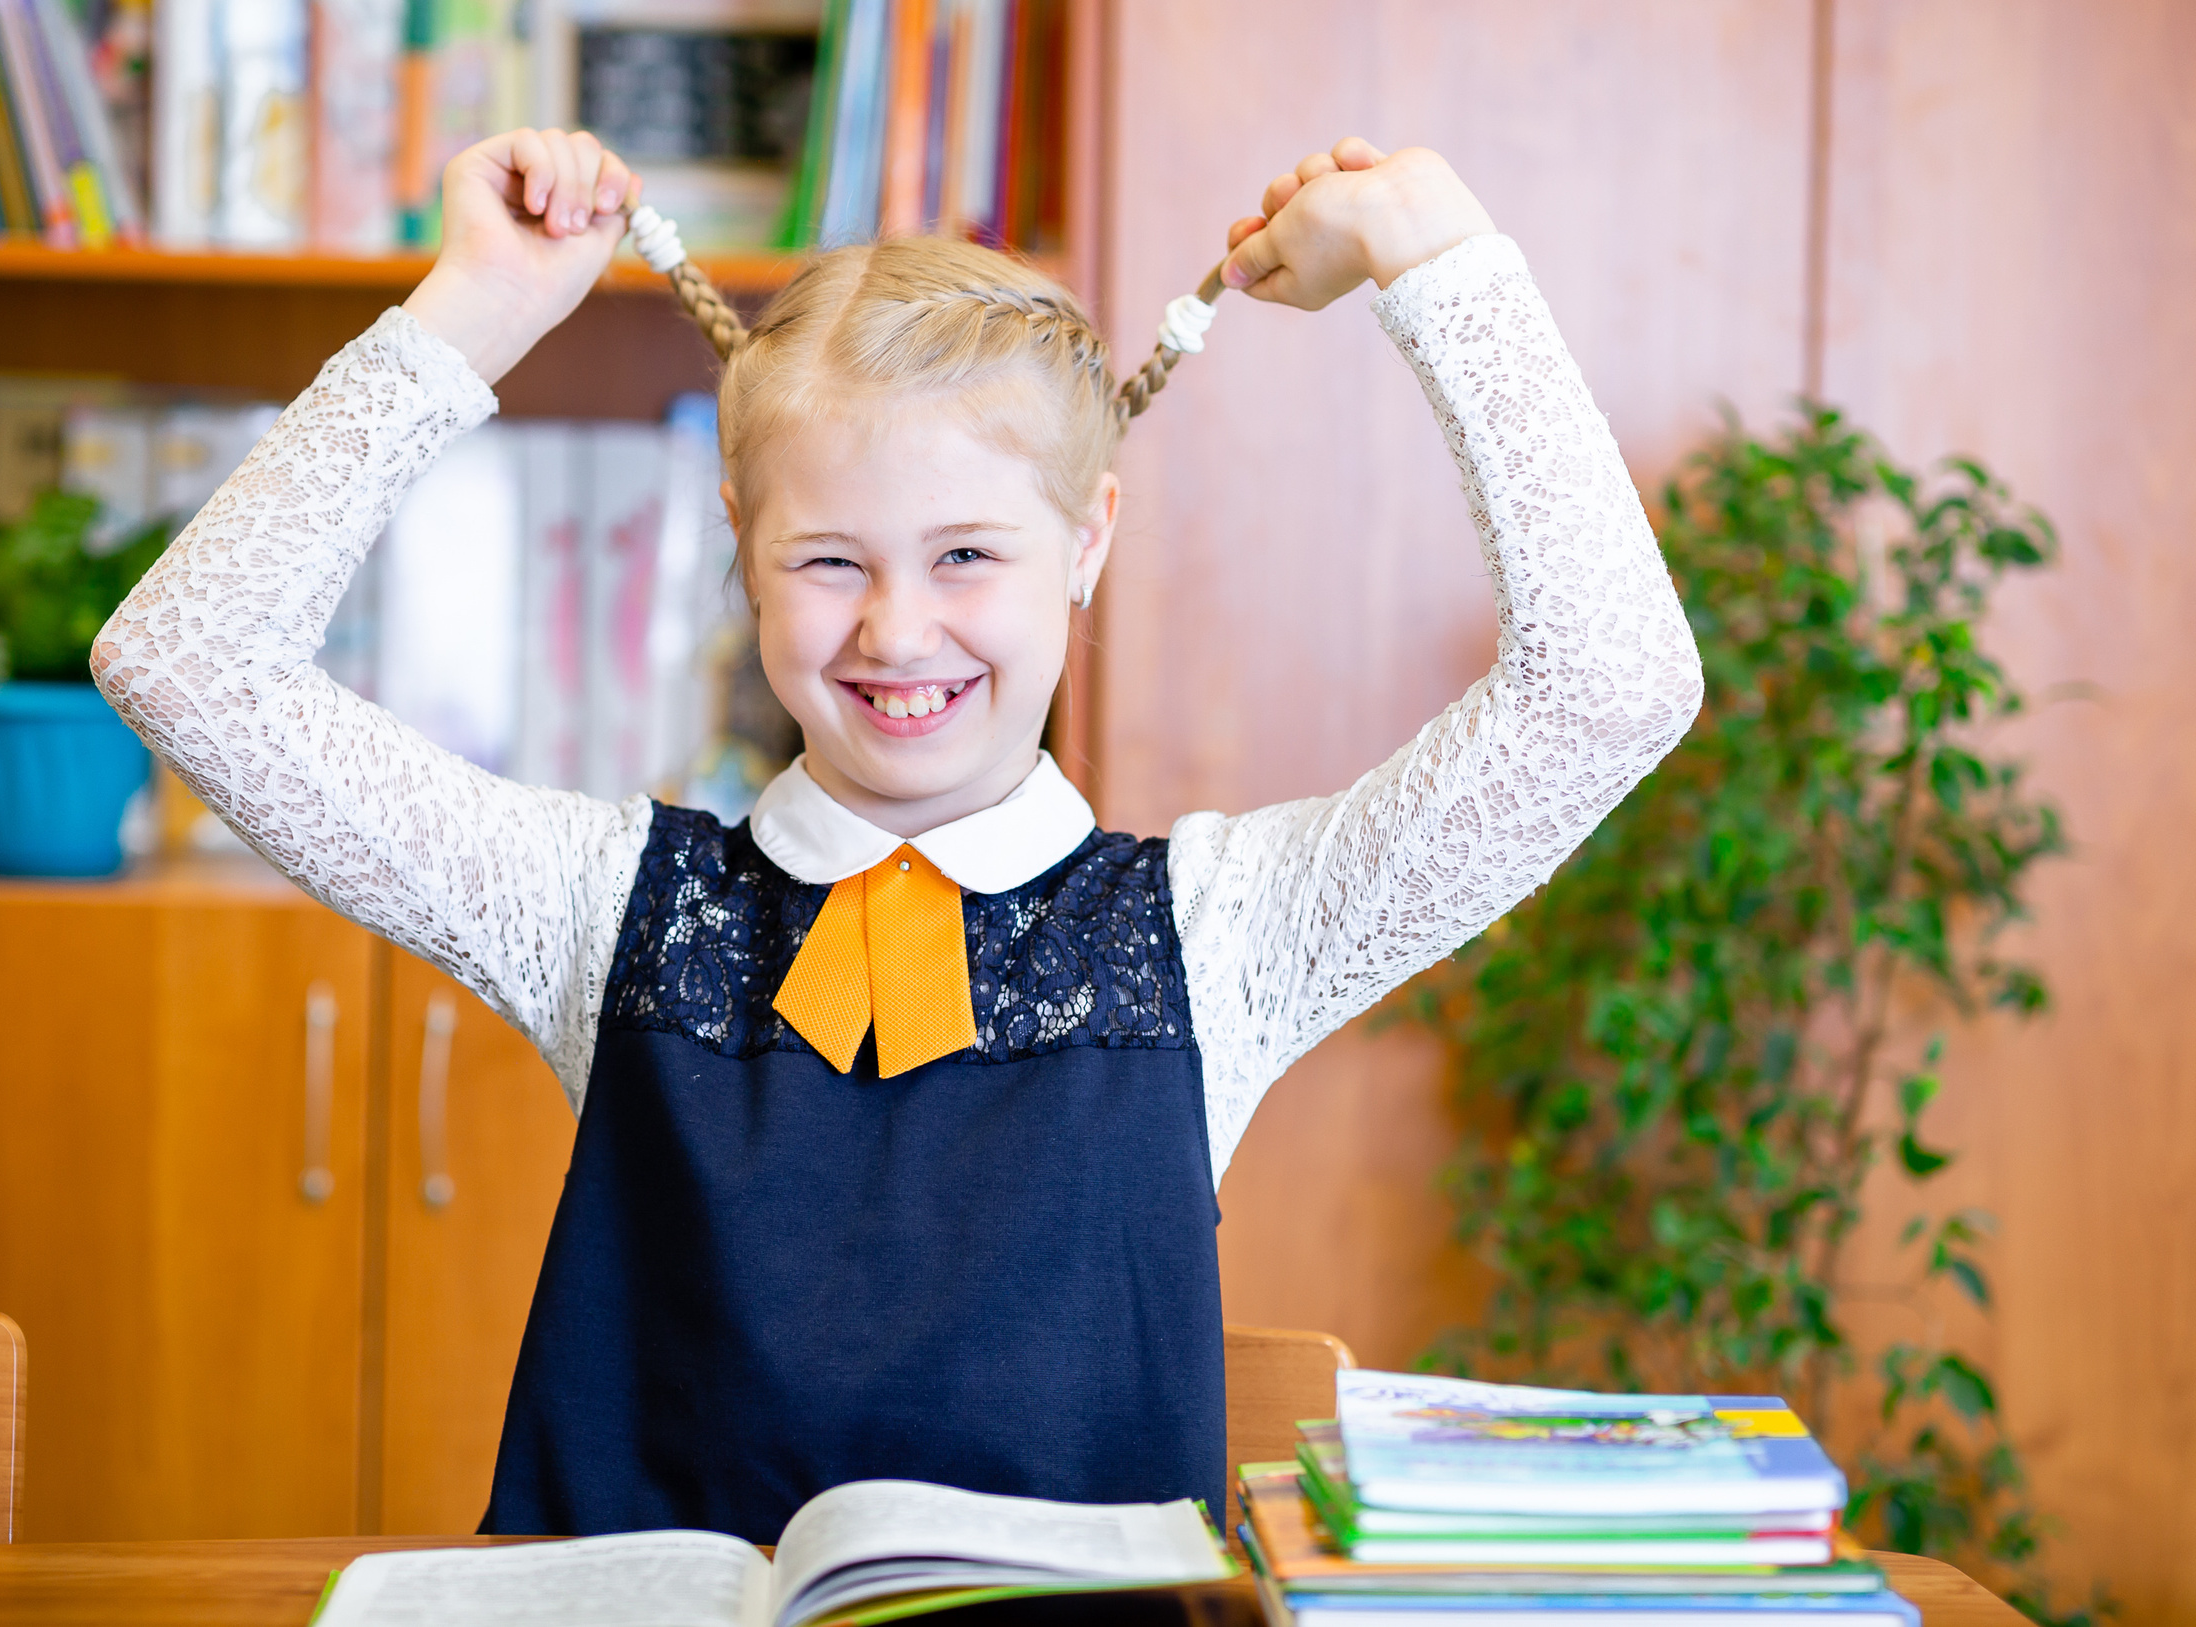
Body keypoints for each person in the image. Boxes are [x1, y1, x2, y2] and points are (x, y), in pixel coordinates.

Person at [93, 127, 1704, 1544]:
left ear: (1088, 544)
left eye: (967, 556)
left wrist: (1438, 257)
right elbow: (183, 664)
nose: (897, 631)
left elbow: (1614, 690)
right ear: (741, 545)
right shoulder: (603, 906)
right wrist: (475, 315)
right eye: (830, 563)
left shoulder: (1222, 934)